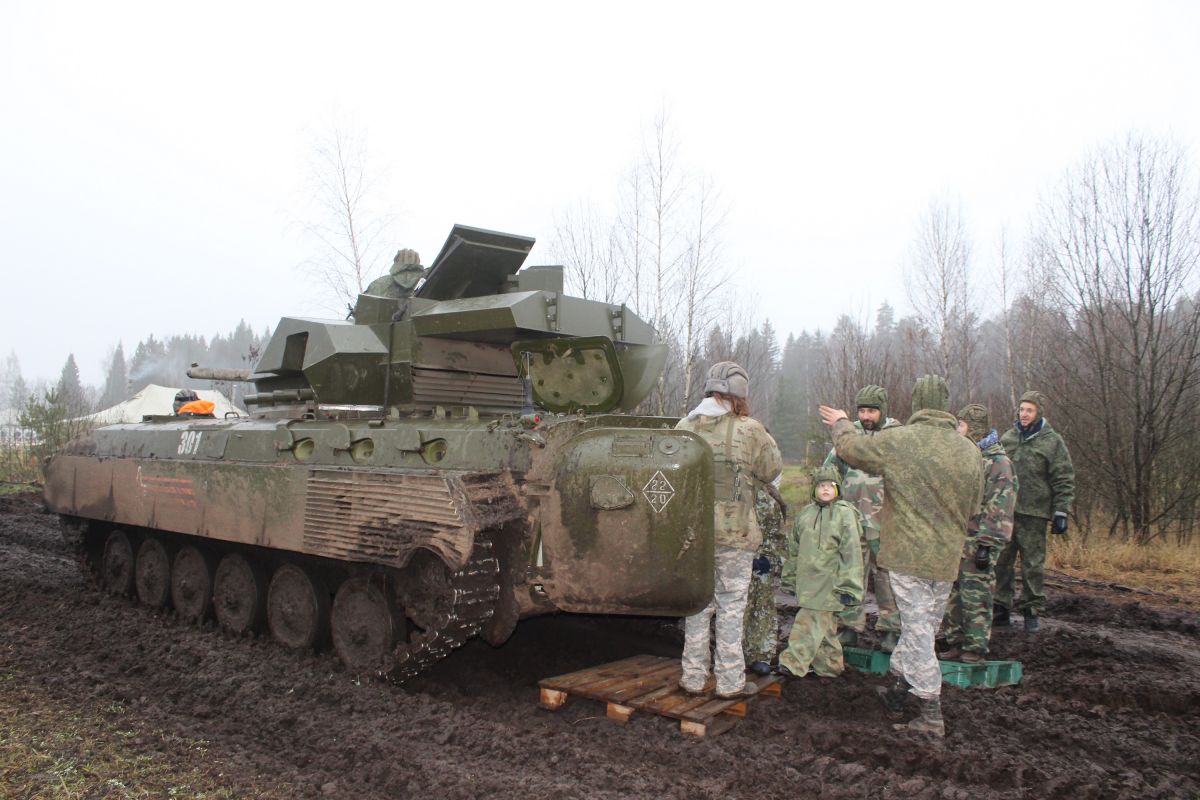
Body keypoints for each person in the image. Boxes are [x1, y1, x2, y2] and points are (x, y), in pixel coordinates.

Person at [818, 375, 983, 737]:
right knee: (923, 625)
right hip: (945, 559)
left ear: (917, 403)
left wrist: (842, 422)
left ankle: (930, 711)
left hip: (908, 558)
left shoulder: (900, 440)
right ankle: (897, 689)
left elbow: (850, 450)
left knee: (920, 633)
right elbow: (974, 506)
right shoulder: (969, 449)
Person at [677, 361, 783, 699]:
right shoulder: (749, 429)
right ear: (740, 393)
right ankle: (729, 682)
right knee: (731, 609)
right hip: (736, 534)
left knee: (695, 607)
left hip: (693, 535)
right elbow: (771, 469)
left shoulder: (684, 426)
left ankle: (692, 679)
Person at [823, 384, 902, 652]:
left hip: (885, 522)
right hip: (852, 521)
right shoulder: (850, 435)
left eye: (872, 411)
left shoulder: (895, 436)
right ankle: (850, 626)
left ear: (883, 411)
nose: (866, 416)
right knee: (851, 574)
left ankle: (891, 628)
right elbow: (829, 471)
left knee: (885, 578)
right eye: (862, 411)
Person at [940, 404, 1017, 663]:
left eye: (961, 425)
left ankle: (975, 646)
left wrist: (987, 543)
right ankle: (956, 640)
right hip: (956, 539)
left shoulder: (998, 463)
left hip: (979, 541)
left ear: (973, 428)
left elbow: (1001, 505)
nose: (957, 430)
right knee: (954, 594)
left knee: (977, 594)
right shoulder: (962, 457)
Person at [995, 390, 1075, 634]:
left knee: (1033, 565)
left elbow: (1063, 477)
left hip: (1035, 513)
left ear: (1039, 411)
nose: (1024, 414)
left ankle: (1032, 610)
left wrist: (1061, 510)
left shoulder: (1052, 442)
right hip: (1006, 512)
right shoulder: (1008, 438)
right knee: (1001, 562)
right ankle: (1001, 607)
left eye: (1029, 410)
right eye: (1021, 409)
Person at [777, 466, 864, 678]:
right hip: (808, 581)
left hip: (830, 582)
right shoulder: (806, 514)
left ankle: (793, 662)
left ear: (838, 489)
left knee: (808, 622)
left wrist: (850, 586)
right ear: (814, 489)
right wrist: (789, 577)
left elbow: (852, 552)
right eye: (821, 486)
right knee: (824, 628)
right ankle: (829, 667)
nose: (825, 490)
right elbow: (794, 549)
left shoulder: (845, 514)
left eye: (830, 486)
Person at [742, 484, 787, 675]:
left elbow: (776, 534)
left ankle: (760, 655)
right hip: (734, 562)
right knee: (735, 611)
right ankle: (733, 655)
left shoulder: (767, 501)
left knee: (762, 609)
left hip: (761, 567)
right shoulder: (732, 493)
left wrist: (768, 558)